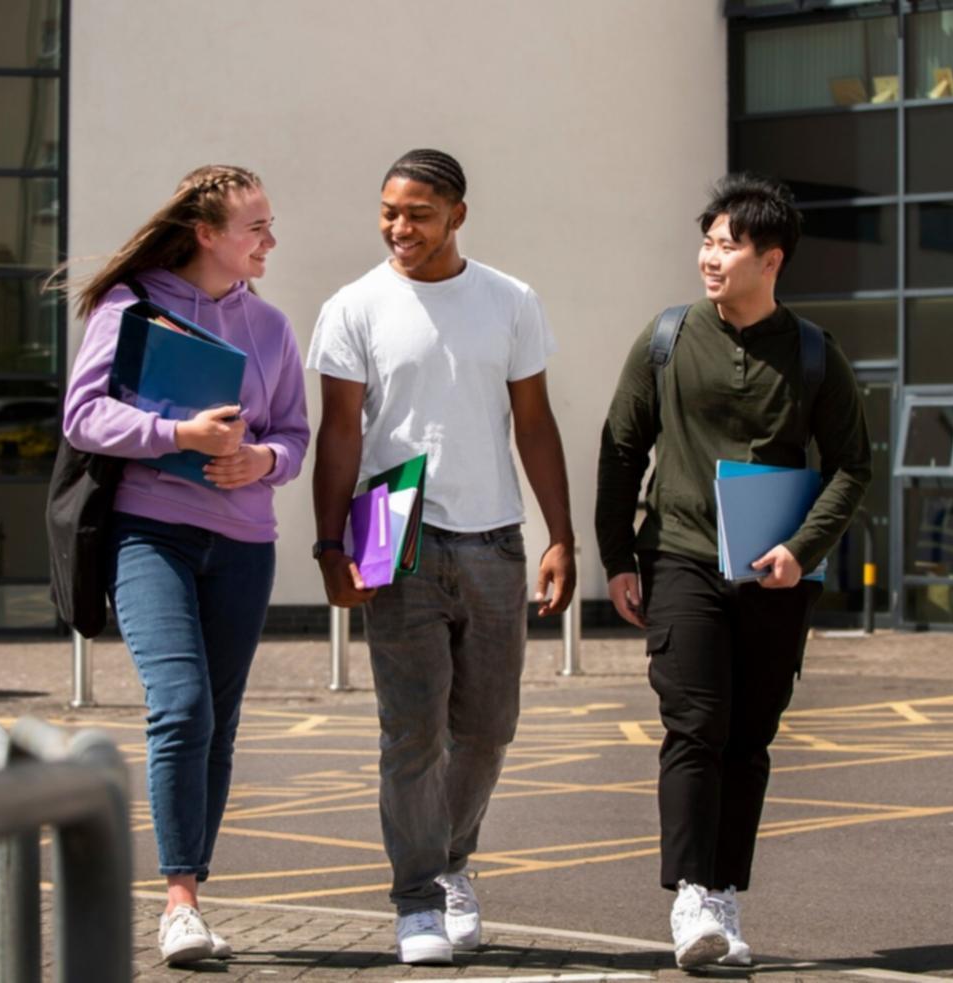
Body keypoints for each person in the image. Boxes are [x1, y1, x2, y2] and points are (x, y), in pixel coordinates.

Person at [593, 173, 871, 970]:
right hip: (681, 555)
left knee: (749, 737)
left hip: (773, 574)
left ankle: (723, 892)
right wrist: (618, 556)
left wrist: (802, 548)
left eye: (729, 246)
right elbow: (620, 447)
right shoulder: (668, 338)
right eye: (707, 242)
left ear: (771, 259)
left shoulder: (814, 353)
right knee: (696, 722)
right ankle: (690, 893)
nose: (710, 258)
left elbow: (852, 465)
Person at [306, 148, 576, 966]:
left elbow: (534, 422)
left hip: (495, 537)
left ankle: (453, 858)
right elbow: (339, 434)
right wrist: (329, 546)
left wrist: (561, 534)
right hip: (392, 530)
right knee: (412, 731)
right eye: (389, 211)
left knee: (488, 729)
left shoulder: (510, 299)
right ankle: (419, 897)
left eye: (419, 213)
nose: (400, 227)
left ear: (458, 215)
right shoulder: (354, 306)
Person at [59, 165, 309, 965]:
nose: (270, 241)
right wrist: (177, 436)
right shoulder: (131, 306)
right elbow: (83, 415)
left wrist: (262, 459)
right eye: (256, 228)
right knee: (181, 704)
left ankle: (192, 886)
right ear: (206, 233)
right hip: (151, 533)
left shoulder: (270, 326)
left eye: (269, 225)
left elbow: (294, 435)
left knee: (219, 724)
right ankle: (179, 905)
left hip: (245, 543)